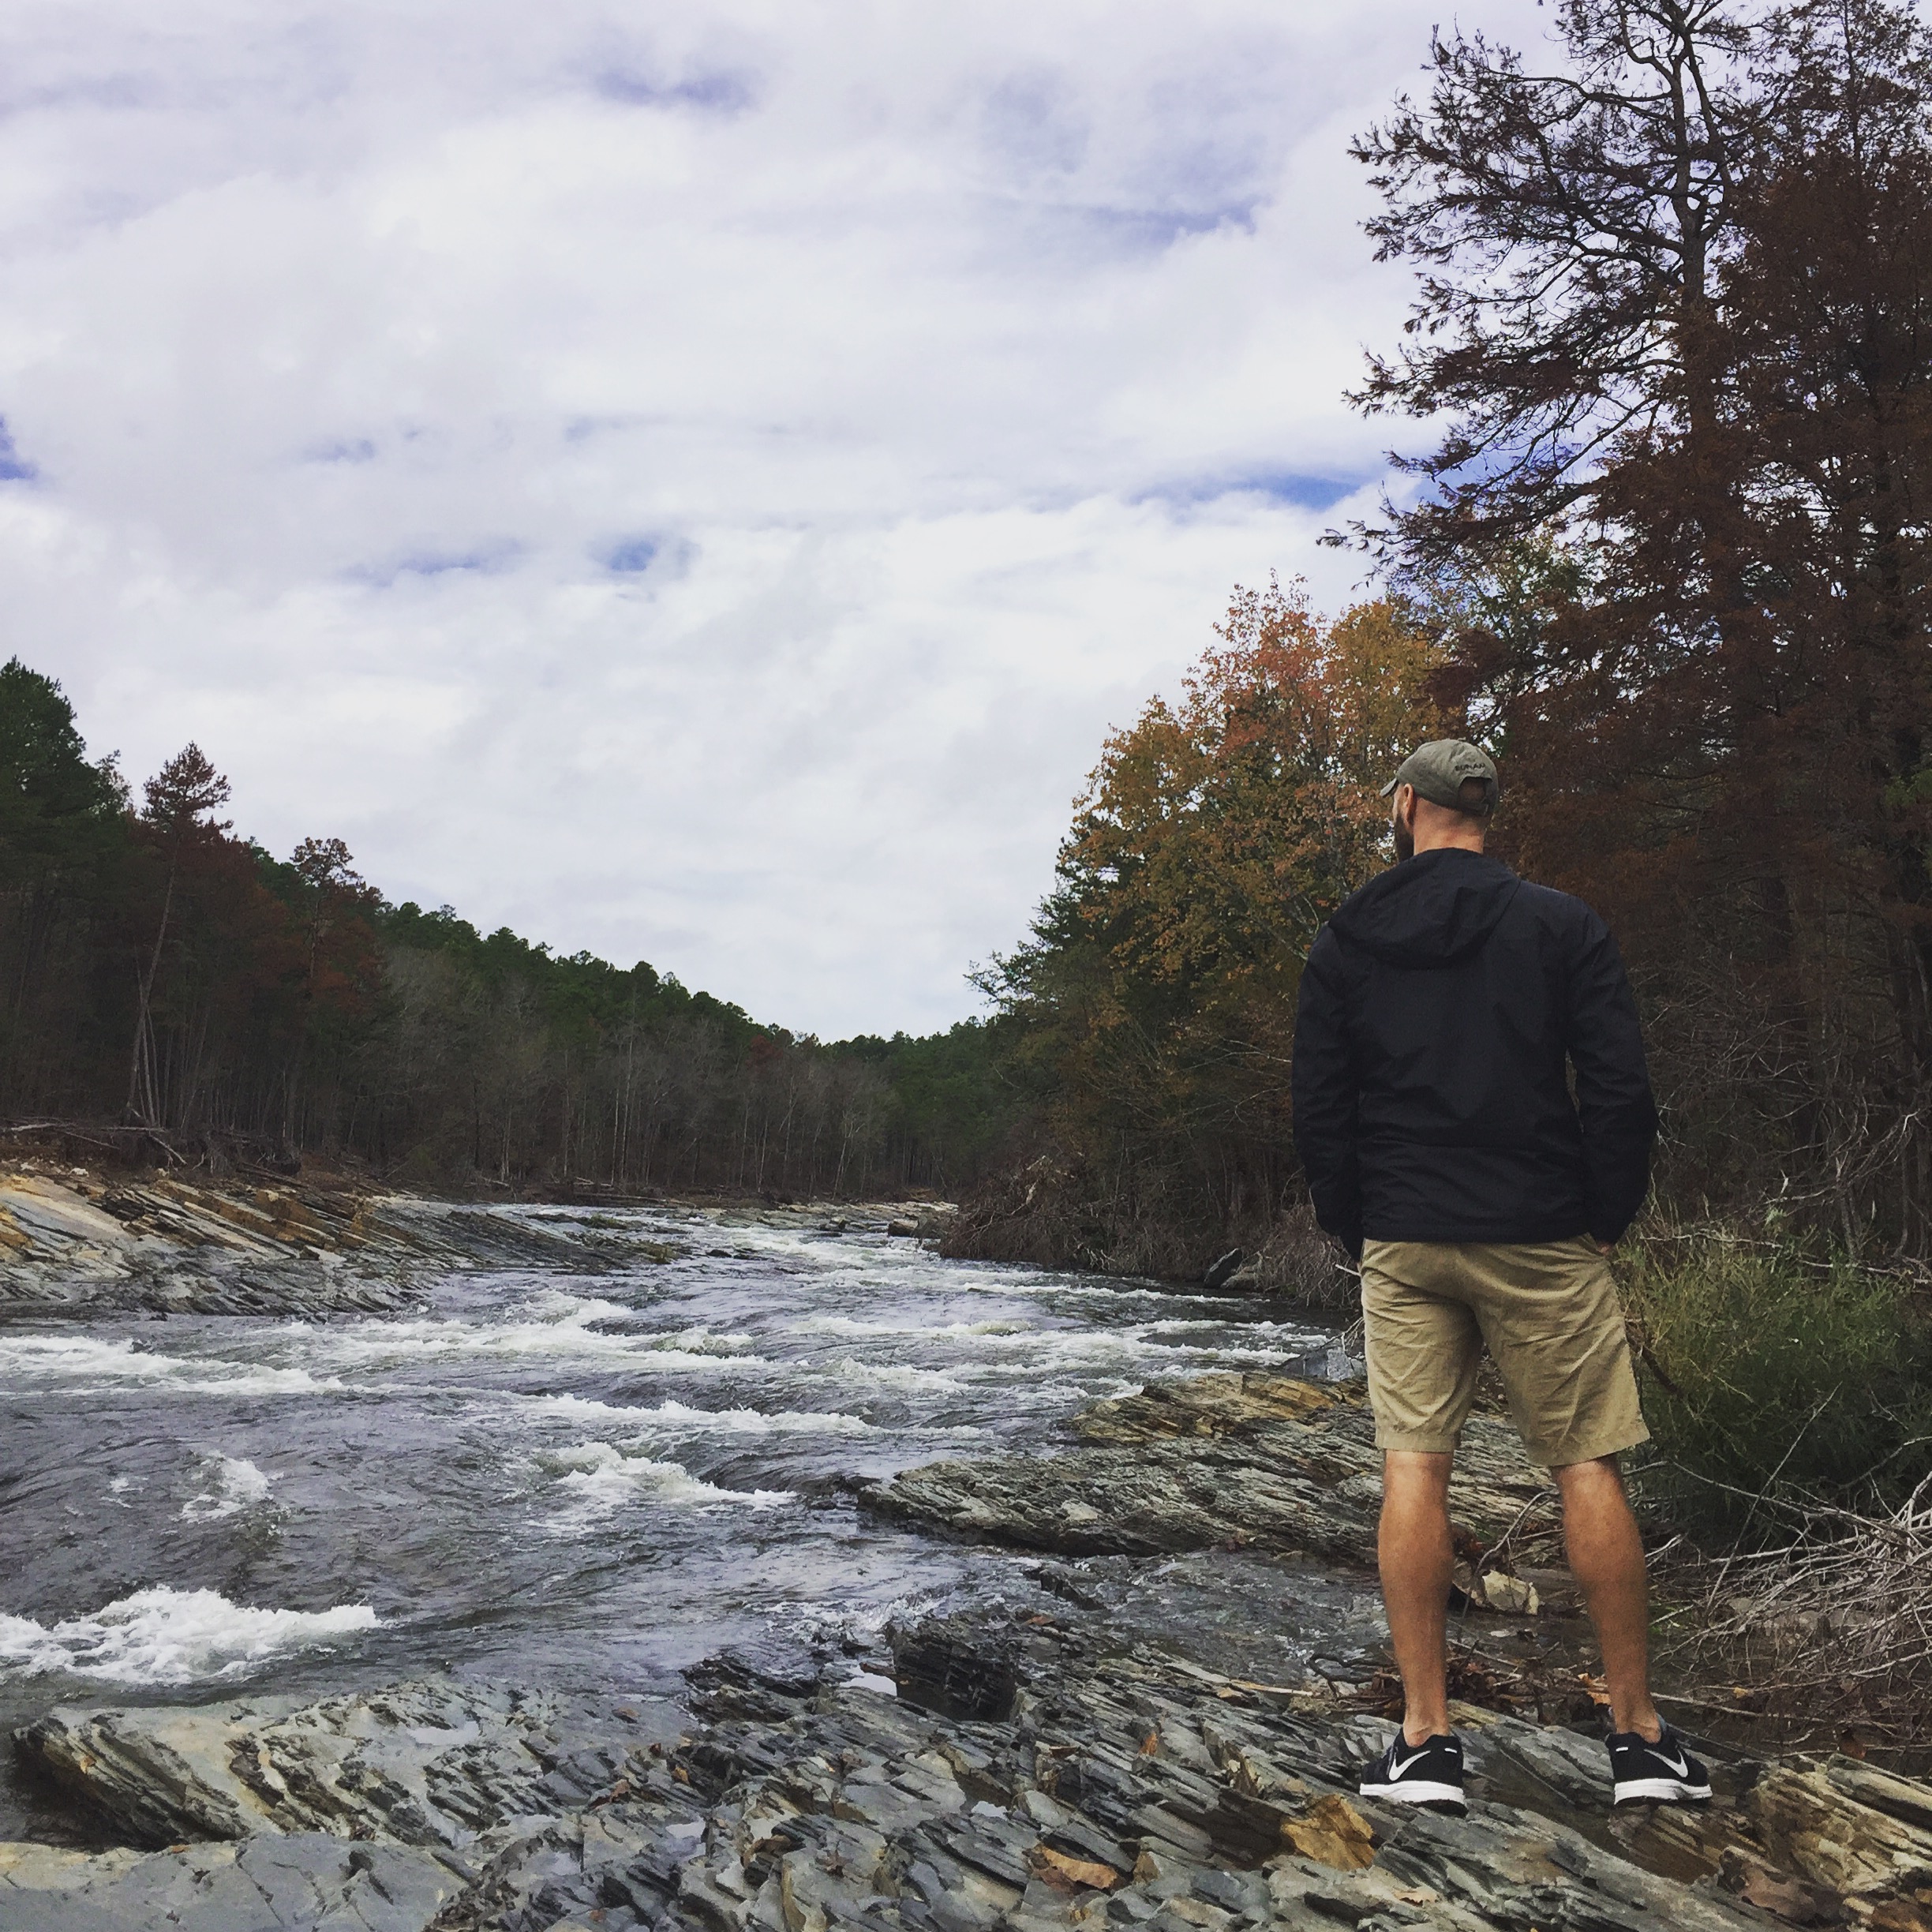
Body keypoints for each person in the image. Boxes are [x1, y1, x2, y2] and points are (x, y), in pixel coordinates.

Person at [1290, 739, 1709, 1814]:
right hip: (1540, 1229)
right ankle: (1639, 1741)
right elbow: (1619, 1087)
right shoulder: (1560, 924)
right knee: (1586, 1467)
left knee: (1414, 1469)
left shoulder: (1349, 936)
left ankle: (1425, 1744)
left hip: (1406, 1233)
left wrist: (1353, 1223)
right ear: (1484, 812)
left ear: (1407, 807)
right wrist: (1605, 1215)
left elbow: (1320, 1101)